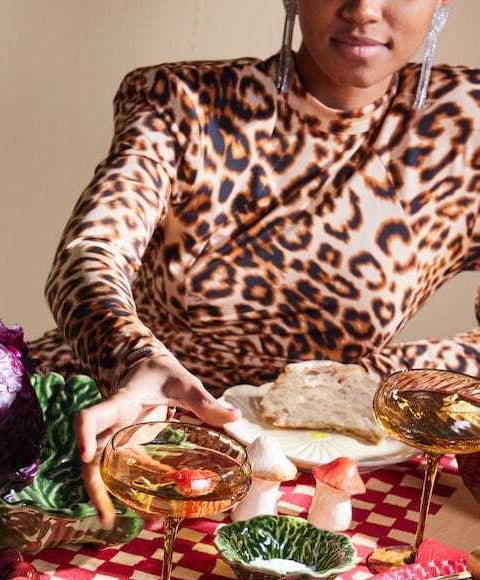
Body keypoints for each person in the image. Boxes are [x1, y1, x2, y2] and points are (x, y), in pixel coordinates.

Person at [32, 0, 479, 523]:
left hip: (314, 466)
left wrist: (374, 383)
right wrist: (130, 358)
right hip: (120, 424)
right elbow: (90, 252)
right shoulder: (180, 102)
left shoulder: (468, 124)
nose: (362, 9)